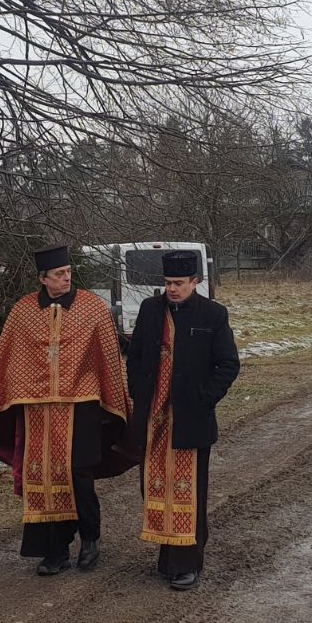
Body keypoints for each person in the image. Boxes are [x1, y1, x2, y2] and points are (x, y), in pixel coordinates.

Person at [0, 245, 132, 576]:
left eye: (69, 272)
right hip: (37, 408)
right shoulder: (23, 311)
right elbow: (7, 358)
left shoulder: (92, 308)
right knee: (42, 476)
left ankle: (90, 538)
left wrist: (117, 397)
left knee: (78, 473)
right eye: (59, 274)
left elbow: (108, 355)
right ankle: (56, 549)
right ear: (43, 279)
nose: (66, 278)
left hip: (82, 404)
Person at [127, 251, 239, 591]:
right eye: (168, 283)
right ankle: (168, 557)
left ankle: (188, 563)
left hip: (190, 421)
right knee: (155, 488)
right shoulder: (150, 310)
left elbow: (228, 364)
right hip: (154, 420)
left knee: (188, 492)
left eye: (178, 283)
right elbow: (135, 357)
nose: (172, 289)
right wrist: (139, 392)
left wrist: (203, 400)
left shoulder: (214, 314)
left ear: (195, 282)